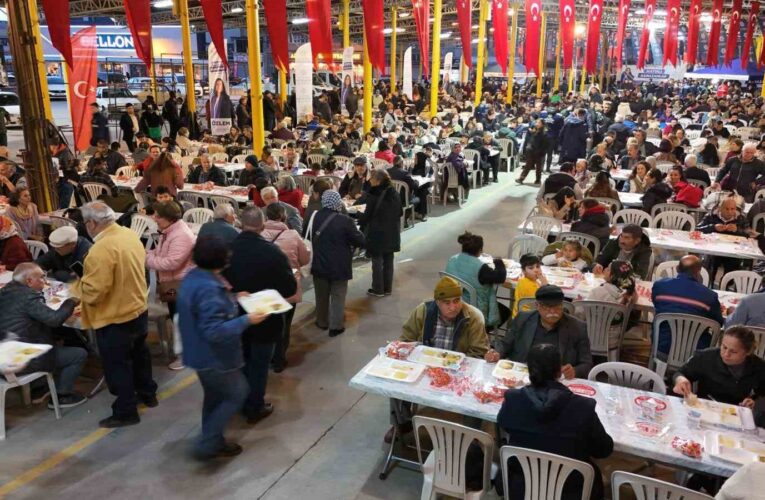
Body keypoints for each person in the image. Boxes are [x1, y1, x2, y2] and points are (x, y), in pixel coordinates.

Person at [178, 236, 268, 460]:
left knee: (214, 397)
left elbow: (205, 309)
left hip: (197, 353)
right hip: (214, 358)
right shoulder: (209, 288)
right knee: (237, 394)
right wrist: (248, 320)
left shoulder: (195, 277)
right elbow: (214, 331)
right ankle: (208, 443)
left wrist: (234, 298)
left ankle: (214, 440)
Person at [70, 202, 156, 428]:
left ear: (91, 223)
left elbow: (95, 292)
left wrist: (75, 288)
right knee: (140, 356)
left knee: (118, 366)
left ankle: (126, 411)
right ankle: (148, 393)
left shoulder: (100, 249)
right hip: (138, 308)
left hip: (115, 316)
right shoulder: (129, 235)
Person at [497, 344, 613, 500]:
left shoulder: (514, 399)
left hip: (522, 488)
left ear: (529, 371)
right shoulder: (582, 407)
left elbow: (504, 424)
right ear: (559, 372)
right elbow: (603, 449)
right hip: (571, 491)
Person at [387, 276, 490, 443]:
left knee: (476, 389)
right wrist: (411, 351)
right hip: (424, 368)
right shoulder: (423, 311)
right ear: (437, 302)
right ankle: (401, 423)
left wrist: (456, 365)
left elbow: (479, 353)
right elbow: (406, 339)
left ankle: (472, 434)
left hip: (459, 371)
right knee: (396, 383)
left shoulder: (473, 317)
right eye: (447, 303)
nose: (453, 307)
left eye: (457, 301)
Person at [224, 207, 297, 424]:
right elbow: (289, 288)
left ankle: (240, 400)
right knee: (259, 365)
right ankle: (254, 406)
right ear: (262, 226)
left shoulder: (227, 251)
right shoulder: (273, 253)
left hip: (236, 317)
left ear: (239, 223)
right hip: (266, 318)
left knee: (242, 361)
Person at [0, 263, 87, 408]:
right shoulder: (28, 297)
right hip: (23, 360)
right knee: (79, 354)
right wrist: (71, 302)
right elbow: (54, 320)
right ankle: (62, 395)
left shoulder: (6, 291)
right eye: (41, 277)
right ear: (29, 281)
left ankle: (39, 387)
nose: (45, 281)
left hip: (5, 354)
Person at [486, 285, 593, 378]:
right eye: (547, 308)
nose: (553, 312)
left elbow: (586, 363)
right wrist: (496, 353)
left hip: (556, 379)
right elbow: (506, 344)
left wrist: (575, 371)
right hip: (523, 375)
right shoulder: (523, 319)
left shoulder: (578, 327)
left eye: (557, 307)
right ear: (537, 306)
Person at [145, 201, 196, 370]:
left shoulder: (181, 235)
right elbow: (161, 253)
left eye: (158, 216)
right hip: (173, 283)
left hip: (181, 284)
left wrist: (145, 259)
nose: (154, 218)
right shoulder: (169, 232)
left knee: (181, 321)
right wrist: (145, 252)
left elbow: (171, 262)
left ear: (168, 218)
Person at [261, 203, 310, 372]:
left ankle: (266, 357)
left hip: (265, 285)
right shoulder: (293, 235)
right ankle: (279, 360)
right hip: (288, 286)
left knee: (267, 322)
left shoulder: (259, 234)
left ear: (266, 216)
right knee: (285, 323)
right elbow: (304, 260)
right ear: (283, 217)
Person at [310, 191, 365, 337]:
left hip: (319, 262)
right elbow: (360, 241)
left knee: (321, 295)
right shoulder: (345, 220)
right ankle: (336, 326)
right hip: (339, 264)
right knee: (338, 295)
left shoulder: (314, 216)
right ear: (338, 202)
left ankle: (321, 322)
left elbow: (306, 234)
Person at [652, 255, 723, 357]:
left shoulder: (660, 286)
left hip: (661, 346)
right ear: (698, 272)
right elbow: (718, 322)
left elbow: (657, 305)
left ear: (677, 269)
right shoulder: (709, 296)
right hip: (696, 352)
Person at [445, 232, 510, 330]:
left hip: (452, 303)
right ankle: (481, 333)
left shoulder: (452, 259)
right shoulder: (481, 268)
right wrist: (498, 262)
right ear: (480, 250)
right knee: (506, 311)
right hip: (474, 309)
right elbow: (500, 277)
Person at [359, 170, 402, 297]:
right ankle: (388, 288)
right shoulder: (394, 192)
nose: (369, 181)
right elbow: (400, 212)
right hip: (392, 231)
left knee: (377, 260)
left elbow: (367, 216)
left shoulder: (374, 194)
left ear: (378, 180)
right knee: (389, 259)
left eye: (371, 178)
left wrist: (358, 216)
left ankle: (378, 289)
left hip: (377, 232)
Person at [698, 197, 756, 275]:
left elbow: (749, 234)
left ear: (735, 209)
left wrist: (737, 230)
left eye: (732, 209)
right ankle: (709, 282)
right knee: (709, 262)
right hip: (713, 249)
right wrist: (713, 227)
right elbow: (697, 229)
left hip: (733, 251)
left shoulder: (741, 218)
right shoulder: (711, 216)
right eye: (727, 209)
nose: (729, 212)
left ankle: (727, 284)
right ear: (720, 209)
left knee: (733, 265)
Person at [518, 119, 548, 185]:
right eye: (536, 122)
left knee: (538, 168)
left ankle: (538, 180)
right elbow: (532, 140)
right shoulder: (535, 130)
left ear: (542, 124)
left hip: (539, 152)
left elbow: (545, 145)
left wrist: (540, 152)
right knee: (527, 166)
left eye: (539, 123)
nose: (537, 124)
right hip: (531, 151)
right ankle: (521, 178)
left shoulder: (544, 133)